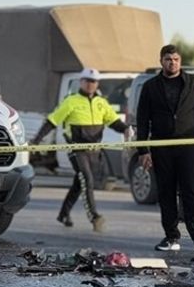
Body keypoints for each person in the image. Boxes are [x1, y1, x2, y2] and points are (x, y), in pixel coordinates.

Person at [135, 45, 194, 253]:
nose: (173, 63)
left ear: (181, 61)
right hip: (162, 146)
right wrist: (143, 150)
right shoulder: (150, 86)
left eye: (176, 59)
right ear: (161, 61)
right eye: (168, 59)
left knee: (192, 192)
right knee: (166, 193)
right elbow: (142, 119)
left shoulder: (193, 83)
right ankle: (171, 237)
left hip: (189, 146)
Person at [30, 68, 129, 232]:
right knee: (87, 179)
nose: (90, 84)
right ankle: (94, 217)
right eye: (87, 81)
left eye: (93, 81)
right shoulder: (71, 101)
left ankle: (64, 213)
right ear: (81, 82)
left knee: (80, 182)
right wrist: (36, 141)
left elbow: (113, 122)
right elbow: (52, 121)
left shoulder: (101, 103)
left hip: (94, 150)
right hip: (76, 149)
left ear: (97, 84)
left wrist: (125, 129)